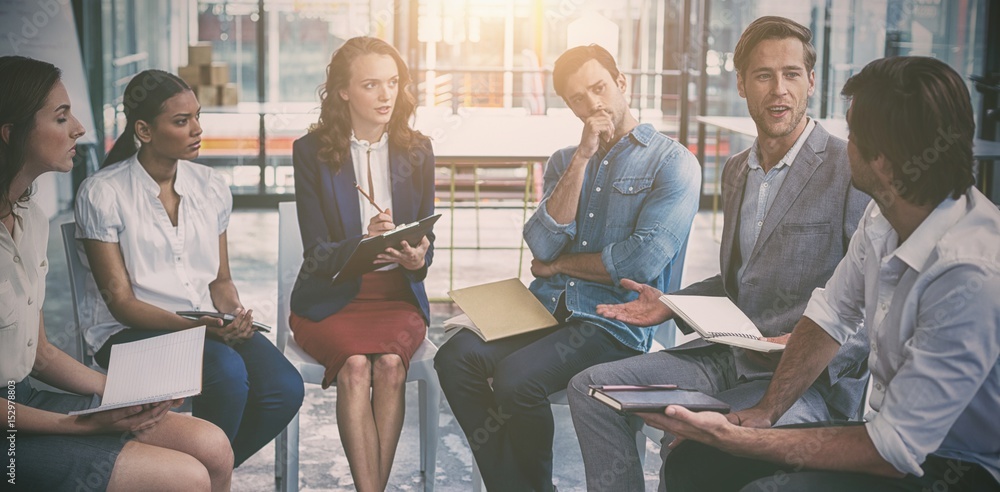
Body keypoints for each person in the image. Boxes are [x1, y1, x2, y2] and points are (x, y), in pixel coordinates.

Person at [652, 56, 1000, 492]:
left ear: (885, 163)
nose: (843, 142)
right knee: (698, 460)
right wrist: (765, 414)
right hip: (889, 436)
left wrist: (744, 440)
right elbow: (829, 316)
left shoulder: (970, 272)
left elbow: (894, 450)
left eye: (852, 133)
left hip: (956, 467)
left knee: (762, 486)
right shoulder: (885, 214)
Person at [567, 16, 871, 490]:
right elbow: (738, 282)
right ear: (743, 85)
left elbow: (871, 310)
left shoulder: (848, 169)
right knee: (590, 389)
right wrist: (668, 303)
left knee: (692, 450)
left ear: (811, 81)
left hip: (802, 381)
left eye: (792, 74)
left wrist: (803, 343)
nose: (779, 90)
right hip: (728, 357)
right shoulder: (736, 170)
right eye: (764, 75)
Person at [434, 44, 701, 491]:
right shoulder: (565, 160)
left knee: (516, 379)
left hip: (611, 323)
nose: (593, 104)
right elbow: (538, 240)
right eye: (578, 98)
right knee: (454, 358)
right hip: (543, 309)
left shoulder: (673, 162)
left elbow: (641, 260)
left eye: (599, 88)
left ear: (622, 84)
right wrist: (582, 158)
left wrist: (559, 264)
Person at [1, 56, 233, 491]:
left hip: (24, 399)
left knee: (214, 447)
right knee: (187, 477)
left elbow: (41, 355)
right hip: (9, 427)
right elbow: (120, 302)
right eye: (61, 117)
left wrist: (123, 393)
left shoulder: (30, 219)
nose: (79, 129)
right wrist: (75, 424)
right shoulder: (104, 192)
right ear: (11, 134)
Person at [74, 69, 304, 468]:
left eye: (198, 116)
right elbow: (122, 304)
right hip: (130, 333)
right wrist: (200, 330)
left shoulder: (210, 186)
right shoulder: (103, 193)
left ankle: (201, 474)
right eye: (182, 121)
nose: (197, 129)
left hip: (205, 327)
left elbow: (220, 280)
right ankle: (199, 475)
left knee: (284, 387)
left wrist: (233, 315)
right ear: (144, 130)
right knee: (227, 373)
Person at [289, 36, 434, 492]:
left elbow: (428, 240)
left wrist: (416, 257)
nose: (387, 95)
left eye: (393, 83)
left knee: (390, 366)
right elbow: (317, 250)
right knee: (354, 367)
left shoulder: (419, 149)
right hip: (332, 295)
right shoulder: (310, 152)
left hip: (397, 298)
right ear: (344, 92)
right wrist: (362, 241)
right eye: (371, 85)